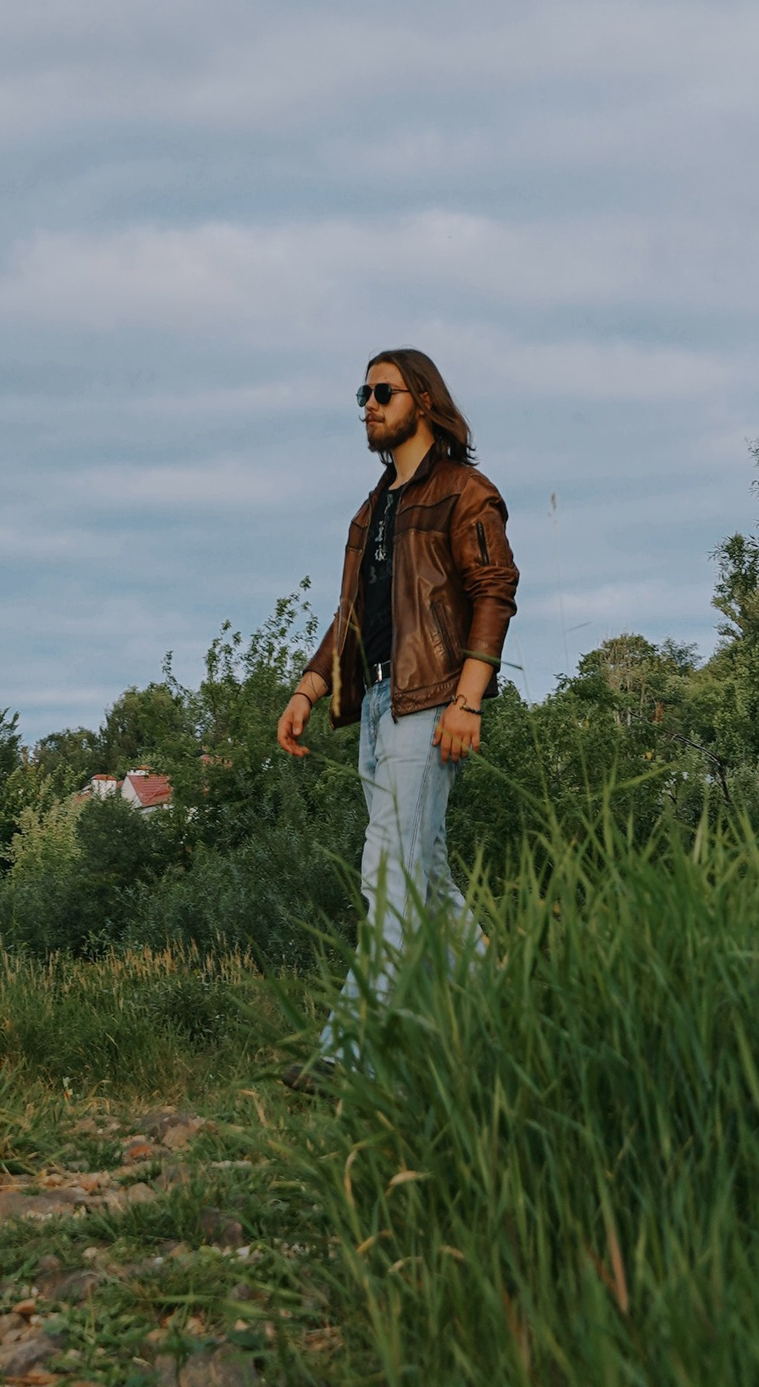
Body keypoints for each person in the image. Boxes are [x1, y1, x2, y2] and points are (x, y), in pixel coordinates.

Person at [276, 347, 518, 1027]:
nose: (370, 406)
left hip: (431, 700)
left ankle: (351, 1051)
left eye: (384, 392)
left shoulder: (465, 492)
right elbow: (351, 614)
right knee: (424, 874)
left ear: (425, 401)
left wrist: (467, 700)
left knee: (387, 868)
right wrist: (308, 689)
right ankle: (511, 1020)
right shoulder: (371, 510)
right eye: (364, 394)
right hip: (379, 704)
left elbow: (494, 593)